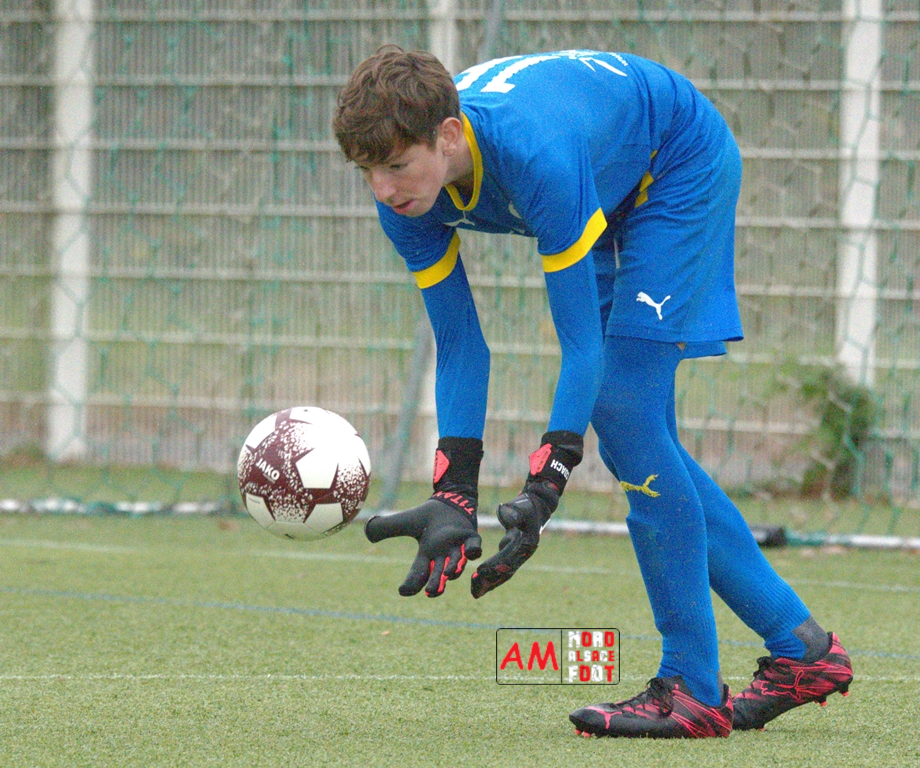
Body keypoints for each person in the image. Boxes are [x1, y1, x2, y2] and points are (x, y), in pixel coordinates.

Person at [332, 45, 853, 738]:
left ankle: (693, 689)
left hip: (675, 157)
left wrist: (545, 483)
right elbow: (460, 344)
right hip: (610, 176)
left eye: (396, 166)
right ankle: (802, 650)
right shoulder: (402, 202)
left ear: (448, 136)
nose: (383, 188)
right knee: (643, 437)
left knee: (624, 409)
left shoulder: (535, 158)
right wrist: (454, 490)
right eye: (366, 171)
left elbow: (581, 348)